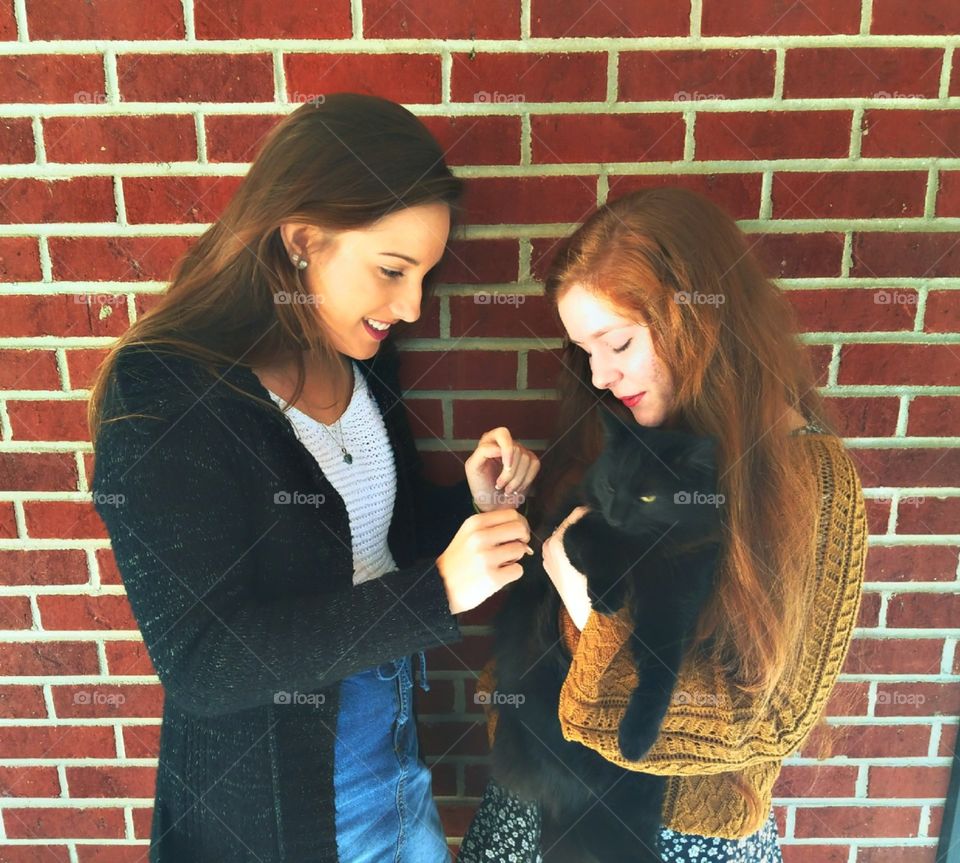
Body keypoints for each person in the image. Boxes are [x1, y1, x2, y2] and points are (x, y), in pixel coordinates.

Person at [88, 93, 540, 863]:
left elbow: (370, 546)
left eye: (424, 275)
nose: (410, 305)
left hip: (393, 740)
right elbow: (203, 660)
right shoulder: (167, 390)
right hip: (284, 792)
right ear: (302, 240)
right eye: (393, 270)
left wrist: (468, 505)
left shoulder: (359, 357)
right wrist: (438, 593)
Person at [460, 187, 867, 862]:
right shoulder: (624, 429)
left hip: (684, 836)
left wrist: (592, 612)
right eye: (583, 349)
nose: (599, 372)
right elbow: (547, 610)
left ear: (698, 318)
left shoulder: (811, 480)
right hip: (536, 805)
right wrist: (503, 519)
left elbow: (771, 720)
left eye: (617, 341)